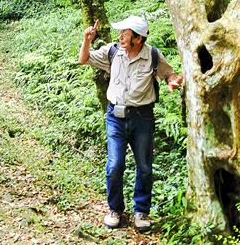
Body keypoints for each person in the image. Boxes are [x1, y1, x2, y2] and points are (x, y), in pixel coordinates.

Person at [78, 15, 183, 232]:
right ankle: (115, 209)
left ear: (138, 38)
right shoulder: (112, 51)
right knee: (115, 165)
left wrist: (173, 82)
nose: (121, 36)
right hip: (115, 117)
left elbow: (169, 74)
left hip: (142, 118)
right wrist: (87, 39)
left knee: (144, 167)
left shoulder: (152, 55)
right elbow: (84, 59)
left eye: (125, 33)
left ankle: (141, 211)